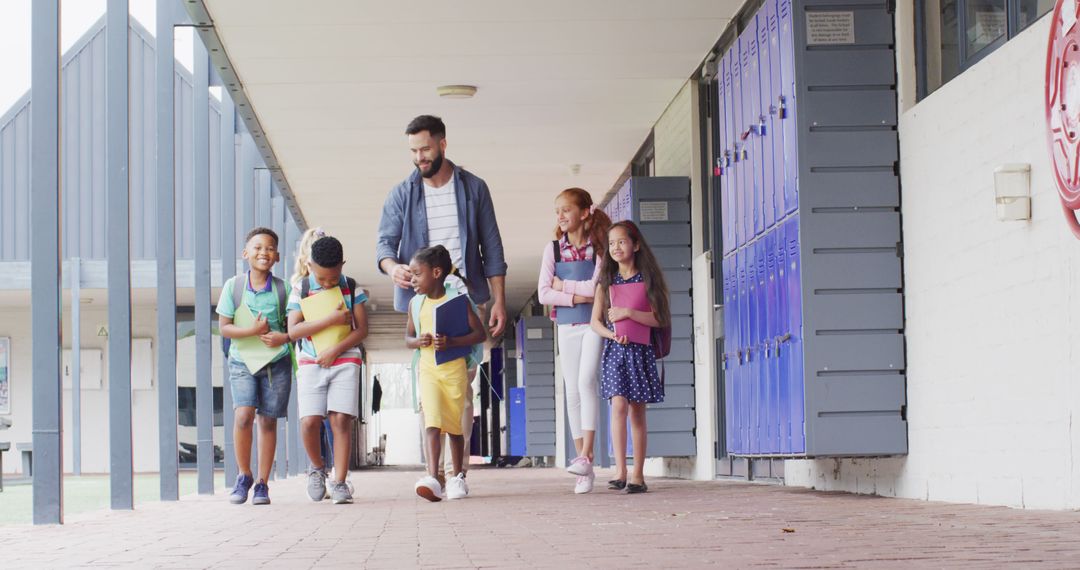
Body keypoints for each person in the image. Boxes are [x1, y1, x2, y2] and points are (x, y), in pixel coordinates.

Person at [376, 114, 508, 480]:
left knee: (461, 389)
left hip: (464, 295)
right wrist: (393, 268)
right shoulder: (402, 193)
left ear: (443, 144)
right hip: (422, 301)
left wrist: (498, 299)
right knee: (429, 387)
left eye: (425, 148)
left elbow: (492, 247)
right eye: (414, 151)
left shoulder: (473, 188)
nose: (419, 157)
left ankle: (458, 471)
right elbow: (384, 245)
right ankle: (434, 472)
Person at [536, 188, 611, 494]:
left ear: (584, 212)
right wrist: (577, 295)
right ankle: (584, 466)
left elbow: (597, 289)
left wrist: (564, 288)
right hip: (566, 326)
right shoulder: (552, 250)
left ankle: (587, 454)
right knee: (571, 390)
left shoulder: (600, 248)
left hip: (593, 323)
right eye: (558, 211)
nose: (561, 216)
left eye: (566, 210)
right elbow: (543, 293)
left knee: (585, 382)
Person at [287, 235, 369, 504]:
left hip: (345, 359)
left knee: (339, 420)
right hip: (311, 361)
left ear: (342, 265)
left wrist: (335, 350)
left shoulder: (352, 287)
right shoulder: (301, 288)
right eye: (322, 279)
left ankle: (340, 481)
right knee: (310, 420)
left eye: (332, 279)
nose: (327, 284)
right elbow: (294, 330)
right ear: (310, 265)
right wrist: (331, 318)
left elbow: (362, 330)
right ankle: (316, 468)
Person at [589, 221, 670, 494]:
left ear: (635, 245)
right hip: (615, 351)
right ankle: (620, 470)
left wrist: (628, 313)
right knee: (618, 406)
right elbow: (595, 323)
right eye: (611, 243)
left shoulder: (648, 280)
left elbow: (660, 319)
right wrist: (611, 335)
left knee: (637, 411)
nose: (616, 247)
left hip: (640, 350)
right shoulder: (606, 283)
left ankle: (638, 474)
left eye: (621, 242)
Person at [217, 227, 293, 506]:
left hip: (276, 363)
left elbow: (293, 328)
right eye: (258, 247)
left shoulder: (284, 289)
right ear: (245, 253)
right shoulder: (233, 286)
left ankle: (262, 483)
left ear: (277, 256)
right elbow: (224, 328)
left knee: (268, 421)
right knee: (243, 416)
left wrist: (281, 337)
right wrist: (252, 330)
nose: (264, 252)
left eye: (270, 248)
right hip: (242, 362)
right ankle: (243, 475)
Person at [405, 245, 487, 502]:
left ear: (437, 272)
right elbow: (407, 337)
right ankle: (432, 476)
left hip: (454, 370)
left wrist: (451, 342)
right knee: (432, 421)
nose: (413, 280)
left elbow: (479, 334)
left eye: (418, 274)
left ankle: (457, 477)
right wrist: (418, 341)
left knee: (454, 427)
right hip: (427, 370)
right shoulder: (415, 303)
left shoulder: (457, 301)